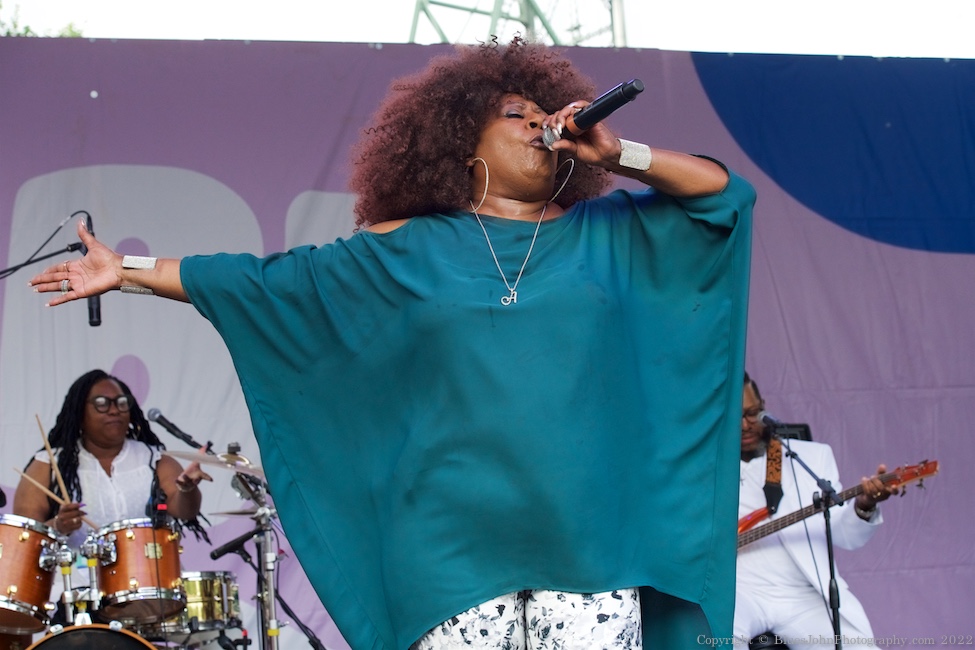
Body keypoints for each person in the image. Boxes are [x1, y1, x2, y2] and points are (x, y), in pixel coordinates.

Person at [30, 38, 755, 649]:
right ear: (458, 144)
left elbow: (725, 200)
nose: (541, 124)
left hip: (591, 541)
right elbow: (263, 283)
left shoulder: (607, 237)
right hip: (447, 548)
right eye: (518, 115)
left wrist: (618, 149)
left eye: (547, 115)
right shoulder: (405, 247)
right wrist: (121, 270)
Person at [12, 369, 212, 621]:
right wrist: (58, 526)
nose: (114, 410)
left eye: (121, 403)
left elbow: (185, 510)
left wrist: (187, 488)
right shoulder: (49, 464)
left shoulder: (154, 459)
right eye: (101, 404)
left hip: (145, 592)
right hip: (75, 594)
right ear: (80, 413)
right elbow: (24, 538)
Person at [736, 372, 895, 648]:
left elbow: (845, 535)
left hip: (803, 595)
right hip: (739, 593)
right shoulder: (702, 469)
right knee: (713, 642)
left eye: (752, 413)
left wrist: (864, 506)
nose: (745, 425)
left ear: (763, 406)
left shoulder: (813, 457)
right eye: (735, 417)